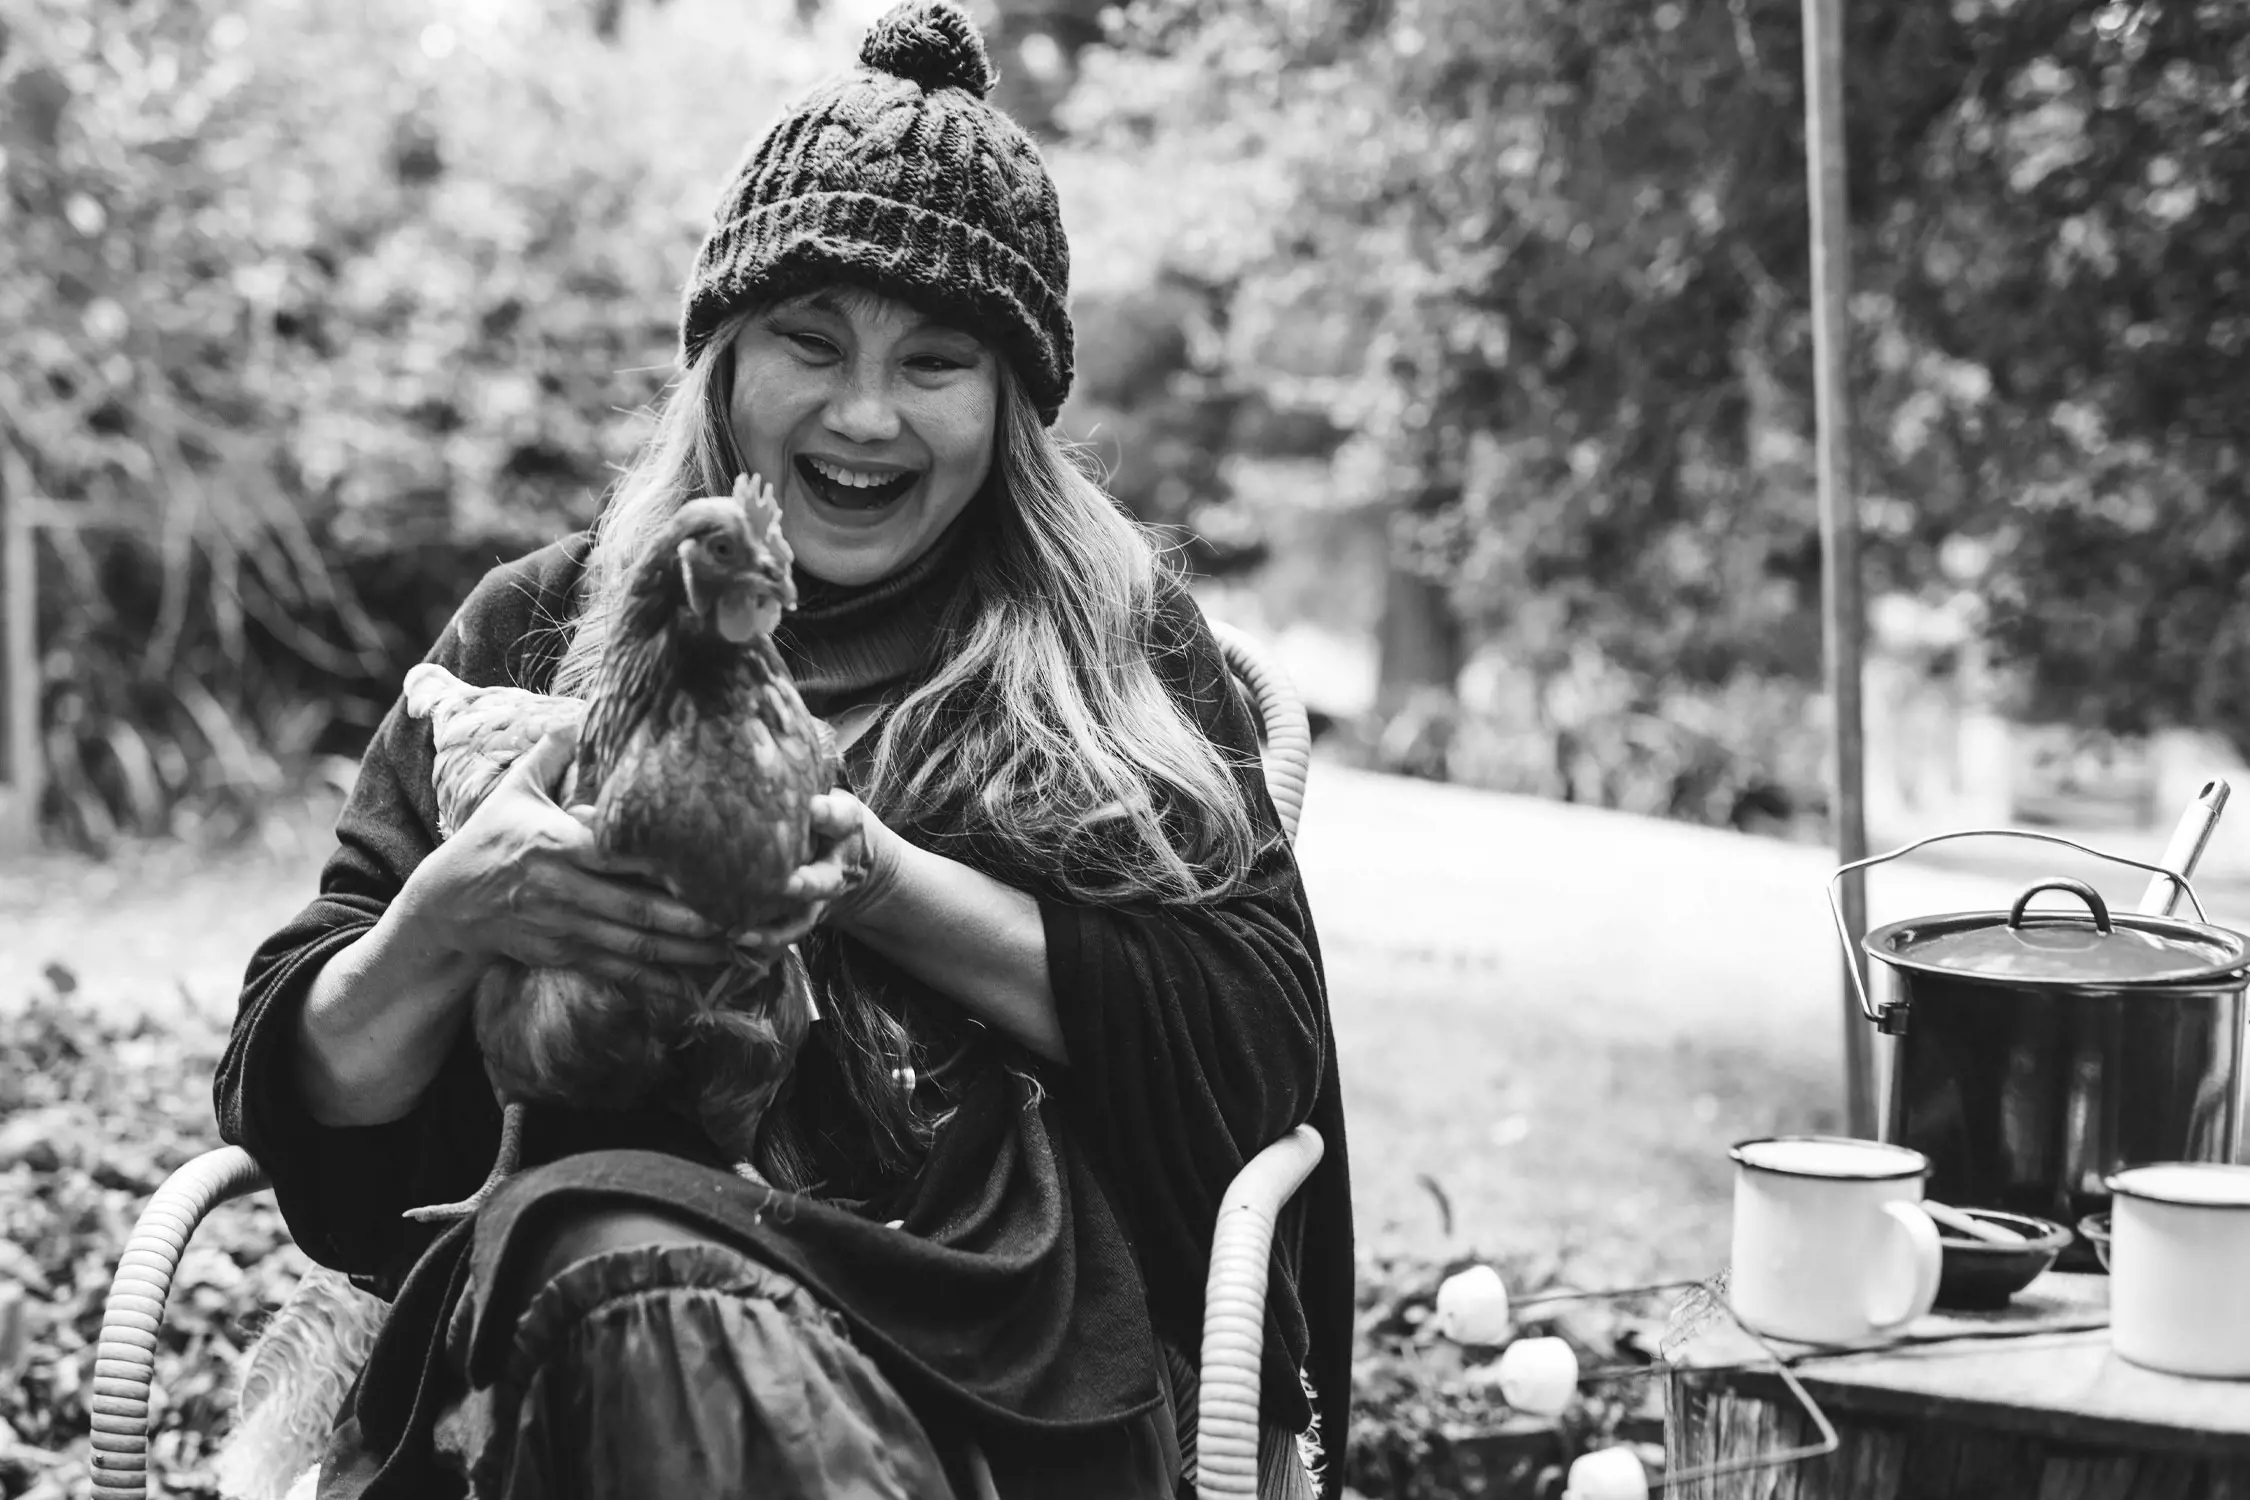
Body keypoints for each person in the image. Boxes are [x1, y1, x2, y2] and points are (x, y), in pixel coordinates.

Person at [214, 4, 1351, 1496]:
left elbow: (1253, 1056)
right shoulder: (538, 626)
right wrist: (440, 927)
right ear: (726, 362)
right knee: (613, 1256)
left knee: (621, 1263)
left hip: (998, 1352)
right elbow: (306, 1114)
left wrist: (876, 882)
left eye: (935, 360)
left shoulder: (1114, 657)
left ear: (1010, 405)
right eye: (809, 341)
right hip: (572, 1333)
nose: (862, 413)